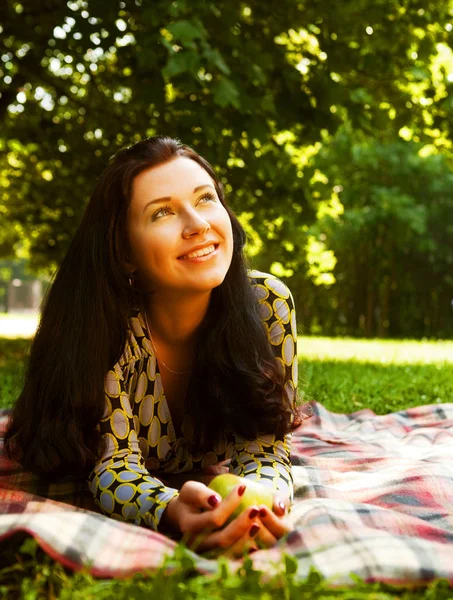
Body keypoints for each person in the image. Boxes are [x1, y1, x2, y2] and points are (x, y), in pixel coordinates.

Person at [4, 136, 303, 557]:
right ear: (125, 251)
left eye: (205, 199)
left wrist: (262, 500)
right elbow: (113, 466)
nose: (197, 223)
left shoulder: (266, 306)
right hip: (68, 445)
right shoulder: (106, 324)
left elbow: (266, 449)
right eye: (162, 212)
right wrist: (171, 509)